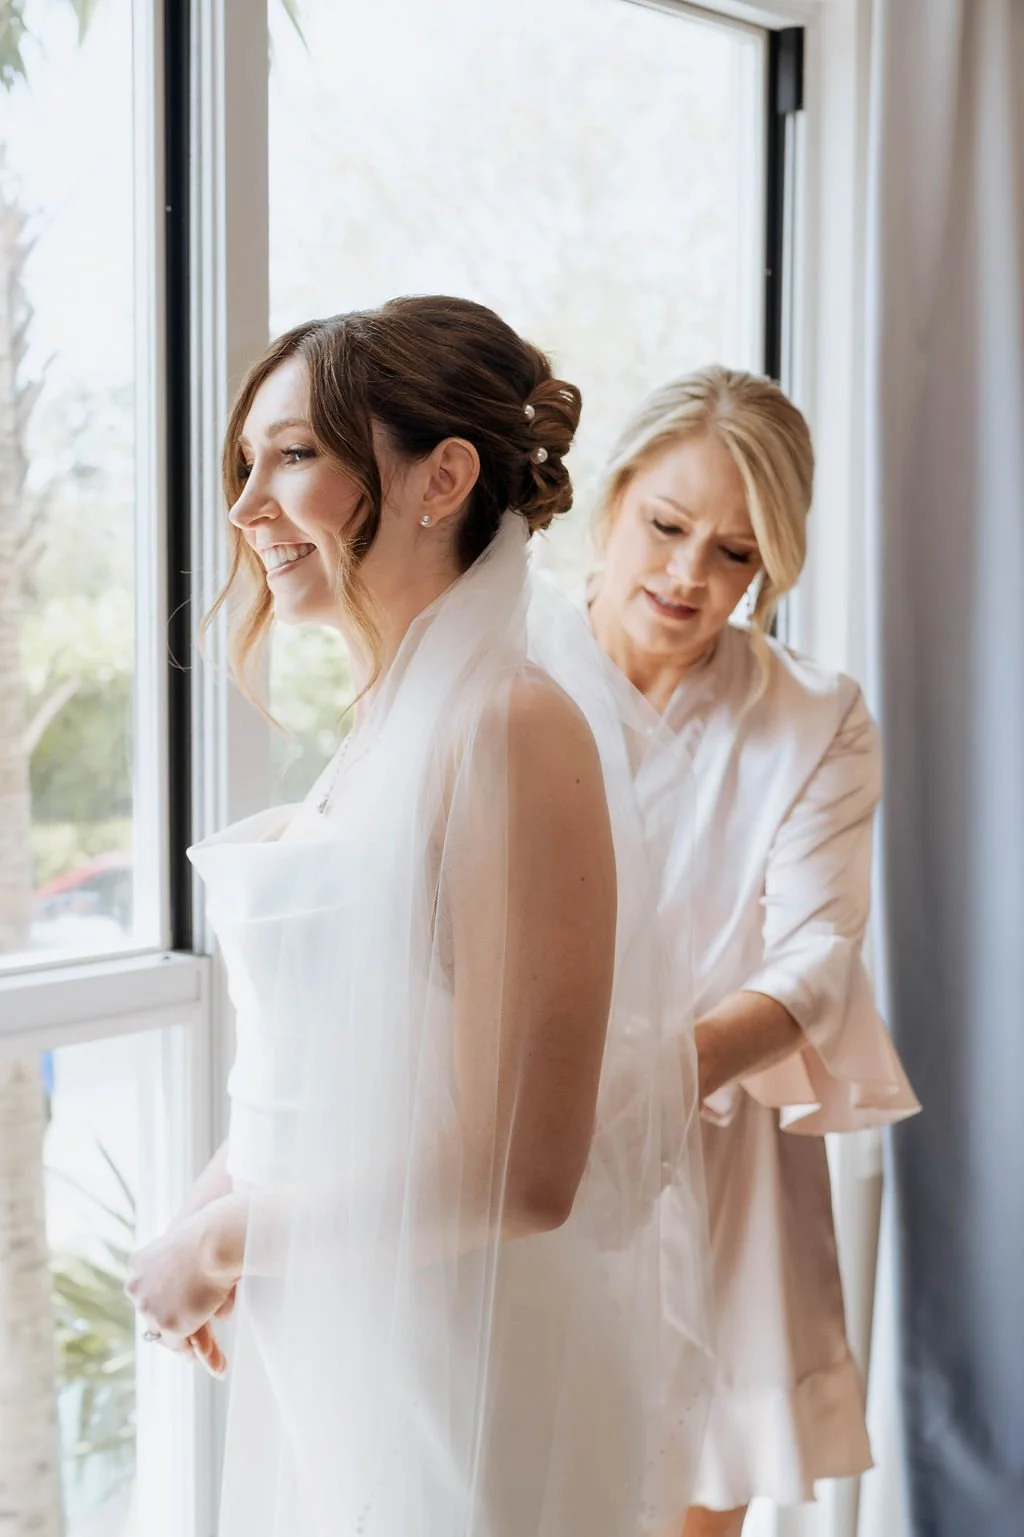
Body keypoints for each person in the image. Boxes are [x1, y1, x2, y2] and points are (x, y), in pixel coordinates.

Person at [125, 297, 712, 1537]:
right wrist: (210, 1205)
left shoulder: (507, 724)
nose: (245, 510)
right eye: (246, 464)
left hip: (454, 1361)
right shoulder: (392, 725)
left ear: (442, 477)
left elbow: (525, 1168)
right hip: (344, 1329)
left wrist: (230, 1237)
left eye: (291, 457)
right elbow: (337, 1059)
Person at [586, 366, 921, 1537]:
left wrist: (652, 1084)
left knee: (692, 1508)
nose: (687, 575)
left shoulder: (814, 717)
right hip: (521, 1154)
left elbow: (817, 954)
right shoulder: (501, 679)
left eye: (733, 552)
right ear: (611, 499)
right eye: (667, 527)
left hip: (719, 1166)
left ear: (771, 561)